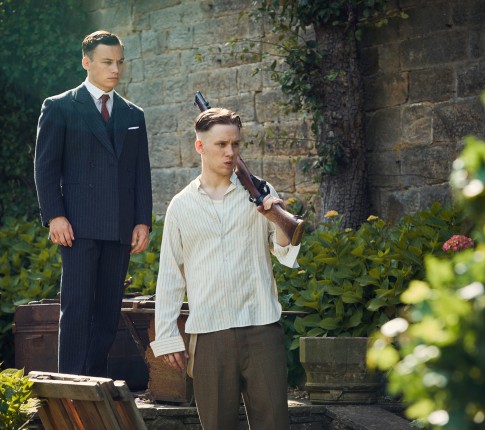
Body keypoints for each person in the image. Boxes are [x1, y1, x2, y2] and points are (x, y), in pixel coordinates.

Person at [150, 107, 300, 429]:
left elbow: (285, 254)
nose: (230, 152)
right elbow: (170, 276)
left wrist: (278, 220)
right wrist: (167, 336)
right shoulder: (181, 206)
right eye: (221, 144)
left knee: (275, 423)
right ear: (200, 146)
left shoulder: (261, 192)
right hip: (209, 335)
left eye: (235, 144)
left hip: (262, 329)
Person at [34, 30, 152, 377]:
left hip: (119, 226)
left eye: (119, 62)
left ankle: (95, 381)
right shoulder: (59, 107)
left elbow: (140, 173)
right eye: (107, 62)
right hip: (78, 226)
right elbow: (45, 167)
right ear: (87, 62)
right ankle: (71, 384)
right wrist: (54, 215)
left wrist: (142, 220)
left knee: (107, 312)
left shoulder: (133, 114)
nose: (115, 69)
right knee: (77, 308)